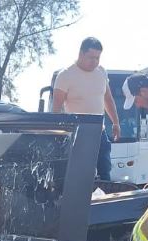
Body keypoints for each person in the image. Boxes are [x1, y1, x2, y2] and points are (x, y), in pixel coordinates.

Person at [51, 37, 121, 181]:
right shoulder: (65, 75)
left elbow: (108, 98)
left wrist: (115, 122)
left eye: (98, 58)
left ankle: (103, 200)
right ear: (81, 53)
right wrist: (57, 134)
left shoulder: (101, 72)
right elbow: (56, 108)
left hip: (99, 133)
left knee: (105, 174)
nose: (94, 61)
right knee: (78, 177)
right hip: (77, 134)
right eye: (91, 57)